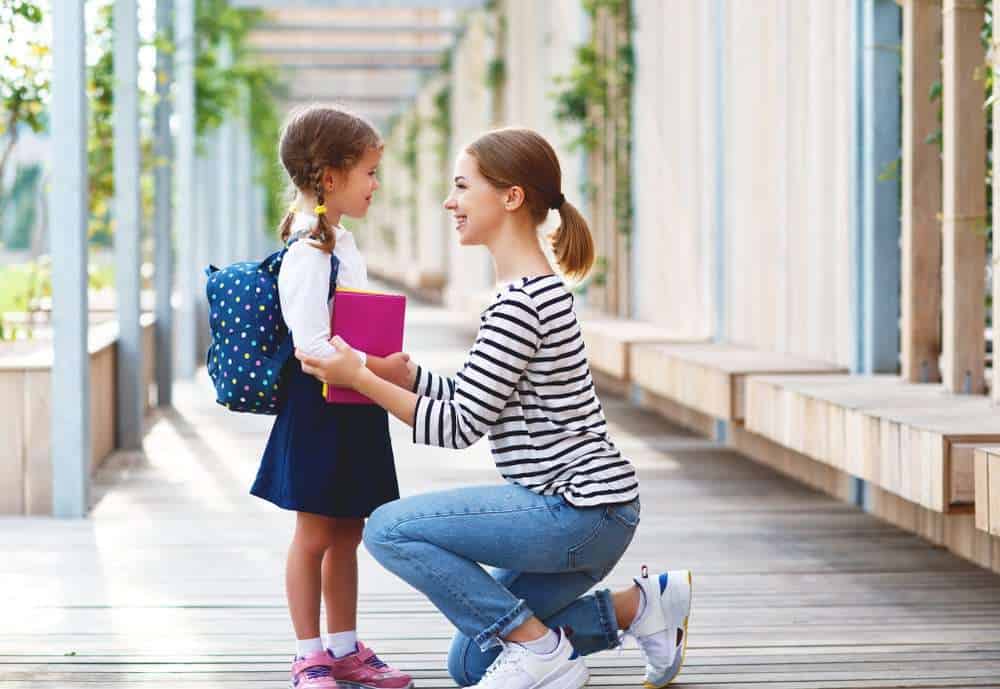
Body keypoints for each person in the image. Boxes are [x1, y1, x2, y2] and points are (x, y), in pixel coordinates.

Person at [296, 128, 692, 689]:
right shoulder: (530, 292)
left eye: (462, 187)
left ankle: (539, 649)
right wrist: (409, 377)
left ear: (511, 197)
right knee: (471, 662)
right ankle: (640, 608)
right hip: (595, 513)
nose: (449, 202)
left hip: (576, 510)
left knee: (387, 529)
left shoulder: (520, 304)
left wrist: (358, 377)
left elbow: (458, 427)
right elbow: (480, 395)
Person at [252, 105, 413, 689]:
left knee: (348, 532)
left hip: (351, 406)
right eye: (368, 172)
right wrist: (380, 368)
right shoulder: (308, 252)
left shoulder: (340, 242)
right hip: (320, 408)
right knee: (315, 535)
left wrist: (376, 366)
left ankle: (344, 648)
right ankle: (308, 654)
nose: (375, 184)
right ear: (329, 177)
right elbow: (312, 347)